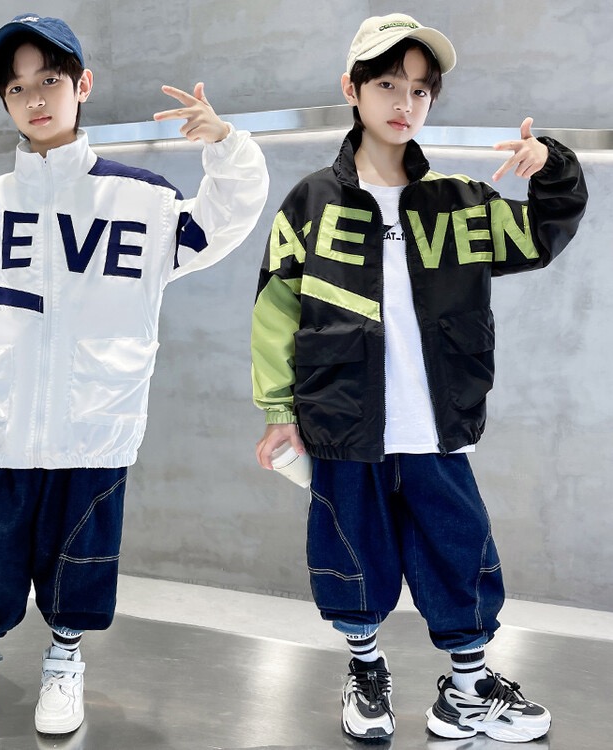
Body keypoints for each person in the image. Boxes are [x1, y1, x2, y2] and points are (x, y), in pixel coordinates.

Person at [0, 13, 268, 738]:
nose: (35, 98)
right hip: (1, 423)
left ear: (82, 85)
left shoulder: (142, 200)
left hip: (96, 420)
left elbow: (224, 220)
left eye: (50, 80)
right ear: (5, 100)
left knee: (79, 558)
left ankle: (65, 664)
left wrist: (226, 146)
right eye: (17, 87)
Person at [251, 12, 586, 744]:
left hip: (438, 425)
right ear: (352, 89)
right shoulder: (310, 202)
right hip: (343, 425)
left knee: (459, 551)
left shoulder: (461, 201)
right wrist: (278, 409)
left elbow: (543, 235)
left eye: (421, 90)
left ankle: (467, 691)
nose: (405, 103)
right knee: (350, 556)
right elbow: (276, 310)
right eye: (387, 85)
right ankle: (366, 672)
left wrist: (552, 164)